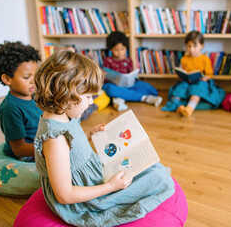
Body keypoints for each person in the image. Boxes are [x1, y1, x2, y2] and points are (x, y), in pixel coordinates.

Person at [33, 50, 174, 226]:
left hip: (94, 174)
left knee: (152, 167)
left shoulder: (64, 116)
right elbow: (65, 195)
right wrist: (110, 187)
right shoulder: (54, 139)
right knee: (158, 178)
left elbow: (70, 148)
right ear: (67, 94)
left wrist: (89, 134)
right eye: (87, 96)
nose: (91, 102)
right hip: (86, 198)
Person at [0, 41, 42, 161]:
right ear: (7, 79)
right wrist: (49, 149)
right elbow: (19, 149)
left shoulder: (35, 96)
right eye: (26, 77)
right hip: (27, 154)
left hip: (42, 144)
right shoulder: (10, 108)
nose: (33, 81)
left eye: (36, 75)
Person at [162, 31, 225, 117]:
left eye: (194, 46)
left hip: (199, 81)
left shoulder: (204, 59)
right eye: (189, 46)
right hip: (187, 81)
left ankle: (189, 108)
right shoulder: (184, 59)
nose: (191, 49)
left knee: (199, 87)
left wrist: (206, 78)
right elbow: (182, 71)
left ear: (202, 46)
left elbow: (209, 74)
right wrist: (180, 76)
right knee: (180, 86)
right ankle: (175, 104)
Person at [102, 31, 162, 111]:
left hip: (129, 86)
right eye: (116, 50)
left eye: (122, 49)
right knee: (109, 89)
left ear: (126, 48)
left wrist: (133, 78)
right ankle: (144, 98)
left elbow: (132, 75)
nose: (120, 52)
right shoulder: (108, 60)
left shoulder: (128, 60)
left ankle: (120, 98)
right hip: (115, 86)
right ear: (111, 49)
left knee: (151, 90)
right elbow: (105, 78)